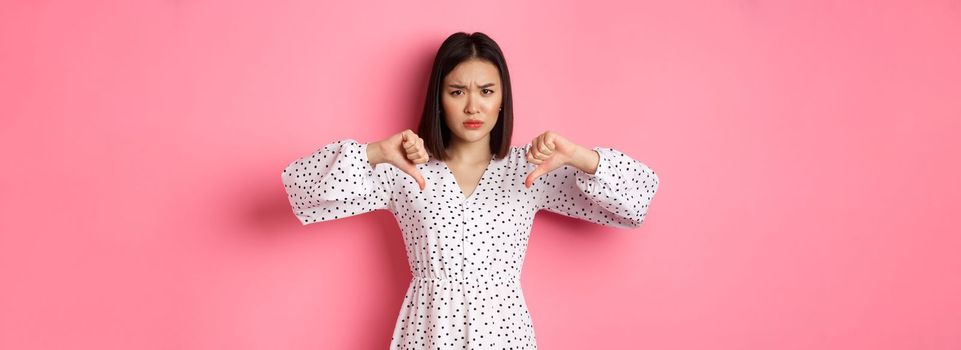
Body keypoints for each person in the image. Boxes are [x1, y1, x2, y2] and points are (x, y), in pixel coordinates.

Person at [281, 31, 659, 349]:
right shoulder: (405, 169)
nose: (473, 106)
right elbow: (302, 191)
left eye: (486, 91)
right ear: (439, 100)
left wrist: (579, 156)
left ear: (502, 100)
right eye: (457, 91)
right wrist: (376, 152)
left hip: (504, 334)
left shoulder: (530, 170)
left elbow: (636, 203)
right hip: (428, 332)